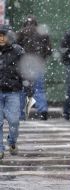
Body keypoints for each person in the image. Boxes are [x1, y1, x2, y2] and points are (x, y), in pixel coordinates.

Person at [17, 15, 52, 120]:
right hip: (38, 64)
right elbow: (49, 50)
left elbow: (15, 48)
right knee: (39, 89)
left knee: (23, 90)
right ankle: (43, 111)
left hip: (25, 64)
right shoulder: (42, 33)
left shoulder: (21, 32)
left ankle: (21, 114)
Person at [0, 24, 25, 159]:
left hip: (13, 92)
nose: (1, 38)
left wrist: (28, 86)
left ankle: (12, 141)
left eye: (3, 35)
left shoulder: (17, 51)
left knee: (14, 121)